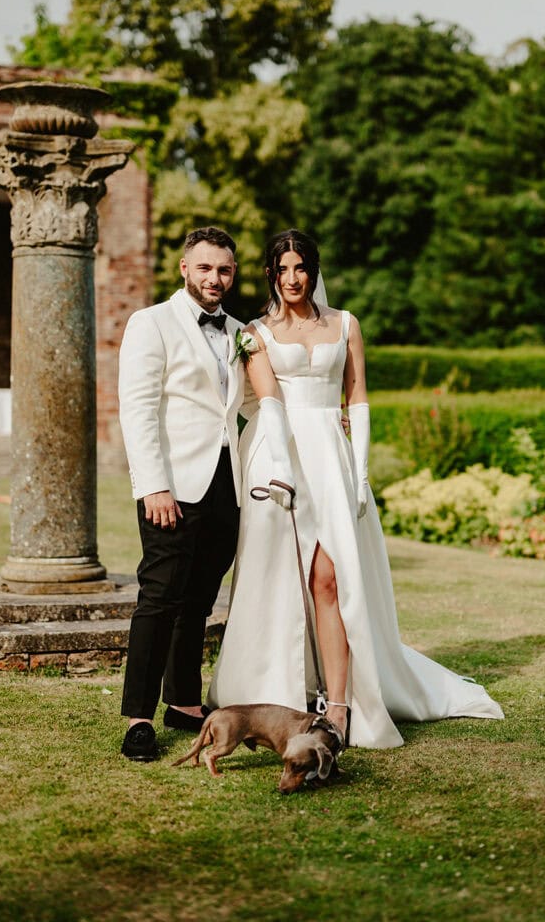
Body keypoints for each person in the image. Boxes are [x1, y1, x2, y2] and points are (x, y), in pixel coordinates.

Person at [207, 229, 504, 749]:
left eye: (300, 267)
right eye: (282, 269)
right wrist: (280, 468)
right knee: (279, 577)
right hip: (276, 457)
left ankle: (341, 706)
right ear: (271, 274)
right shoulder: (254, 332)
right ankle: (281, 692)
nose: (292, 278)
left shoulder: (346, 324)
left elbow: (358, 396)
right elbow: (270, 403)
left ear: (313, 270)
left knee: (330, 577)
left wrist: (361, 471)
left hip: (332, 454)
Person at [118, 226, 252, 761]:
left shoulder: (243, 331)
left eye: (223, 270)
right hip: (171, 486)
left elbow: (245, 408)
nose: (214, 278)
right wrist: (154, 485)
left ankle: (183, 702)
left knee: (199, 598)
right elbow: (138, 408)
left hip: (228, 486)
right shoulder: (151, 323)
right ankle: (137, 719)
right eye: (204, 268)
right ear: (184, 268)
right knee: (159, 598)